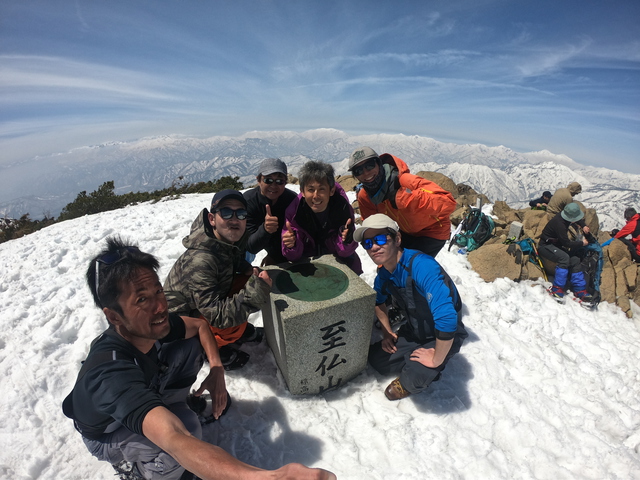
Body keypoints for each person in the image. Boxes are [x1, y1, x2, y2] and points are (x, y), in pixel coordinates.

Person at [63, 237, 336, 480]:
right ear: (113, 316)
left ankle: (173, 408)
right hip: (109, 432)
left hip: (148, 390)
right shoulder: (111, 372)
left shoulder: (150, 326)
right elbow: (174, 437)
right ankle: (138, 470)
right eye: (142, 300)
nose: (159, 306)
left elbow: (199, 326)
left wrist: (217, 370)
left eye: (158, 291)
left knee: (188, 349)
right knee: (175, 450)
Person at [354, 214, 468, 400]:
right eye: (367, 244)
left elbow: (447, 318)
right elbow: (378, 302)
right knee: (377, 360)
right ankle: (415, 359)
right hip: (415, 330)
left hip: (446, 333)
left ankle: (433, 364)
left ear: (397, 239)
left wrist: (435, 359)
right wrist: (387, 332)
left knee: (410, 380)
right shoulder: (384, 275)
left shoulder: (422, 266)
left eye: (380, 239)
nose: (374, 247)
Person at [164, 190, 272, 371]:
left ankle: (236, 332)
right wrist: (256, 292)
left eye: (241, 213)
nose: (235, 219)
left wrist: (247, 269)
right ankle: (210, 347)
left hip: (201, 303)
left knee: (247, 280)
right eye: (227, 212)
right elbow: (216, 316)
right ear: (212, 218)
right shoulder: (201, 260)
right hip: (181, 321)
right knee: (233, 318)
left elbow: (229, 257)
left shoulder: (220, 239)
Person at [348, 146, 456, 258]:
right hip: (405, 231)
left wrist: (406, 198)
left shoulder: (404, 181)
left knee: (410, 266)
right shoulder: (366, 196)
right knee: (392, 265)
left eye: (370, 165)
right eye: (358, 170)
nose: (366, 173)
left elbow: (448, 203)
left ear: (379, 163)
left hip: (433, 230)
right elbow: (372, 226)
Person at [282, 160, 362, 274]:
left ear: (331, 190)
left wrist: (347, 241)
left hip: (340, 265)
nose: (316, 195)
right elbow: (292, 257)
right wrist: (291, 245)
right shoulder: (294, 213)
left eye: (322, 189)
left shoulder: (341, 208)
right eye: (310, 189)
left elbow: (344, 252)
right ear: (302, 192)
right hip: (309, 269)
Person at [244, 158, 297, 266]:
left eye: (279, 181)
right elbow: (250, 247)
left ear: (285, 183)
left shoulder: (292, 200)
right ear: (258, 180)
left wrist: (274, 256)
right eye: (268, 180)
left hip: (290, 253)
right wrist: (265, 230)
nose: (273, 185)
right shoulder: (248, 202)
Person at [538, 202, 593, 302]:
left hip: (555, 245)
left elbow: (577, 219)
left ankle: (579, 289)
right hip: (545, 246)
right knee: (564, 258)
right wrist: (582, 243)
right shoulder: (560, 224)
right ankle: (557, 288)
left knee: (575, 260)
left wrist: (583, 225)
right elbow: (566, 243)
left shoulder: (565, 217)